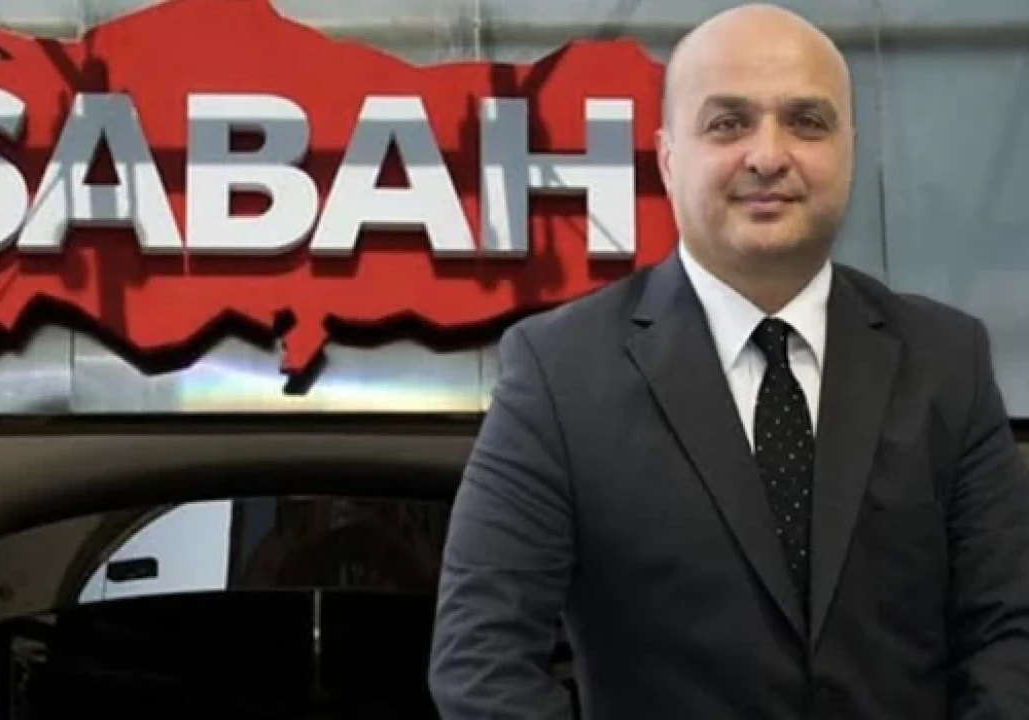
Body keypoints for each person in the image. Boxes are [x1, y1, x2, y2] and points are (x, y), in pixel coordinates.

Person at [427, 3, 1029, 718]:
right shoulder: (559, 373)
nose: (768, 155)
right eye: (728, 123)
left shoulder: (948, 363)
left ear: (849, 150)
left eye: (806, 121)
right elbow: (480, 662)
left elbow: (1008, 634)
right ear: (667, 157)